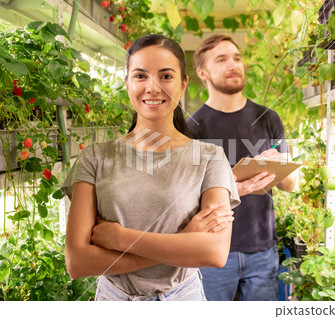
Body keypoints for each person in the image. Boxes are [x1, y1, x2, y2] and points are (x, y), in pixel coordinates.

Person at [62, 34, 240, 301]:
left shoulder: (210, 158)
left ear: (183, 85)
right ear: (127, 83)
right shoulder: (95, 158)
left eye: (166, 76)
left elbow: (213, 253)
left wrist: (120, 239)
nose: (153, 87)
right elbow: (77, 262)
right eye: (140, 76)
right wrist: (184, 239)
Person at [186, 34, 297, 301]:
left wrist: (279, 167)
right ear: (203, 72)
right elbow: (186, 195)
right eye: (221, 60)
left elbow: (291, 185)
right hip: (213, 251)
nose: (233, 64)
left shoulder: (268, 119)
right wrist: (233, 186)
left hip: (262, 251)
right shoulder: (192, 127)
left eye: (237, 58)